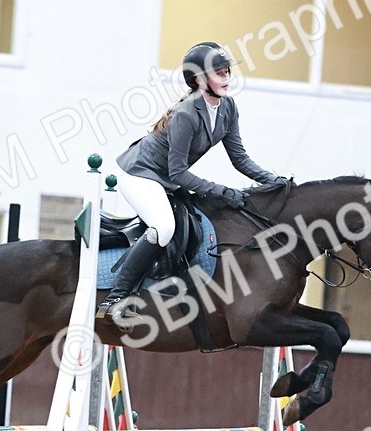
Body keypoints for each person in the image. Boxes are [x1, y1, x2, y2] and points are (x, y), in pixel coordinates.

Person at [100, 41, 286, 326]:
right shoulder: (186, 114)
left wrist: (274, 181)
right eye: (220, 73)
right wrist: (223, 191)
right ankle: (116, 298)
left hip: (169, 181)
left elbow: (240, 158)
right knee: (163, 228)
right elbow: (178, 173)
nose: (227, 77)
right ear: (199, 79)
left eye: (227, 72)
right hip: (141, 175)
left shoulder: (227, 107)